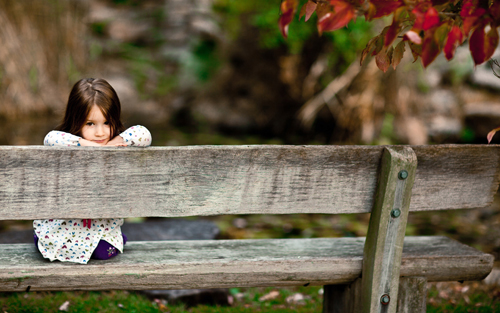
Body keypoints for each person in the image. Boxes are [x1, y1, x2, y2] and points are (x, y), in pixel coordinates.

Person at [33, 78, 152, 264]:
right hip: (66, 227)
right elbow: (50, 138)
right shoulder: (68, 144)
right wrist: (85, 144)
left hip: (99, 226)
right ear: (76, 121)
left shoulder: (118, 144)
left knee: (103, 251)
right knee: (102, 250)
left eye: (107, 122)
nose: (100, 133)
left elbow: (143, 133)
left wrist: (114, 142)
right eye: (90, 124)